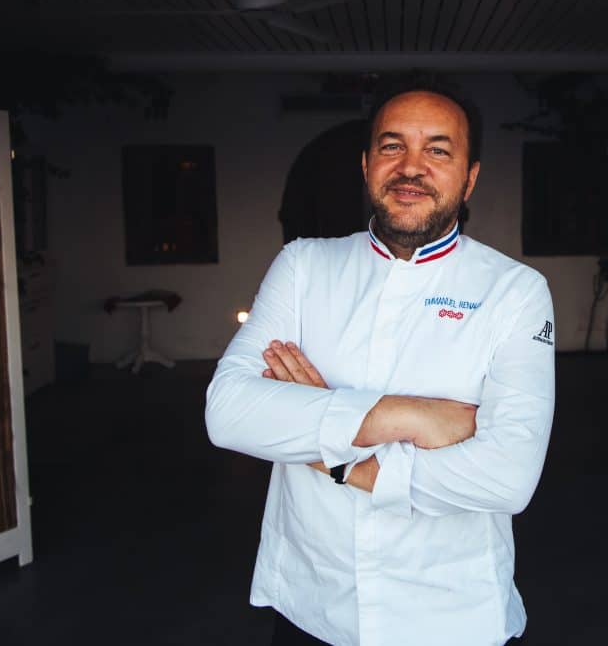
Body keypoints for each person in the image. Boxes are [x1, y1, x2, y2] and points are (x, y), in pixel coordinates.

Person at [205, 78, 555, 646]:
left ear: (469, 178)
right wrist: (412, 415)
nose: (410, 167)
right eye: (393, 147)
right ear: (368, 165)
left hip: (450, 612)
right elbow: (228, 413)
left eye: (437, 150)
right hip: (313, 601)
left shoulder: (515, 290)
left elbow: (507, 477)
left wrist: (338, 458)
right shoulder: (303, 266)